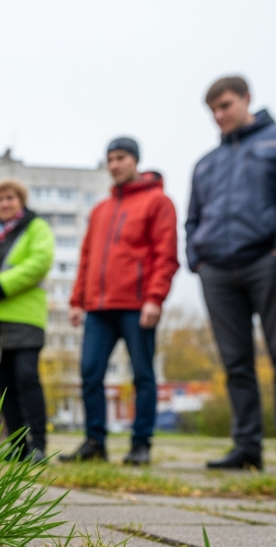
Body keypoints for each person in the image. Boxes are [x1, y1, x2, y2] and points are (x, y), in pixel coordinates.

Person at [185, 76, 276, 473]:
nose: (219, 116)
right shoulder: (206, 163)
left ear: (246, 99)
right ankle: (246, 447)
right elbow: (192, 219)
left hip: (267, 262)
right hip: (217, 271)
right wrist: (197, 259)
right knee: (235, 362)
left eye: (225, 106)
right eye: (213, 111)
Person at [62, 137, 179, 465]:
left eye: (121, 158)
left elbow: (165, 253)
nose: (115, 164)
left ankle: (140, 443)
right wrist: (76, 300)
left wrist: (155, 298)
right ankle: (94, 442)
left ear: (135, 161)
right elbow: (86, 257)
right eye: (110, 159)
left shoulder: (158, 202)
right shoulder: (101, 210)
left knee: (143, 374)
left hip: (137, 305)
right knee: (89, 373)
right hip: (98, 308)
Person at [0, 178, 54, 462]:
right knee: (4, 385)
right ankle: (18, 446)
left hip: (24, 317)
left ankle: (38, 444)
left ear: (21, 201)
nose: (5, 203)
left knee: (27, 377)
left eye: (10, 198)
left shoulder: (36, 228)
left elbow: (38, 262)